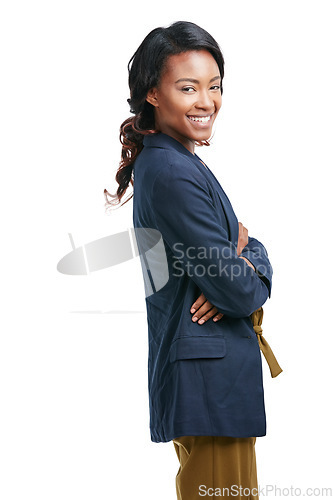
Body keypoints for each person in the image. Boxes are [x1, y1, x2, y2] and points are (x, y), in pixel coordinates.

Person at [104, 21, 276, 500]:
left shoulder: (172, 160)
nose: (206, 101)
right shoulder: (172, 172)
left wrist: (241, 254)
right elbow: (238, 290)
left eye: (214, 86)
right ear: (153, 94)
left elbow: (235, 263)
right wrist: (243, 262)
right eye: (188, 87)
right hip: (208, 384)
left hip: (210, 383)